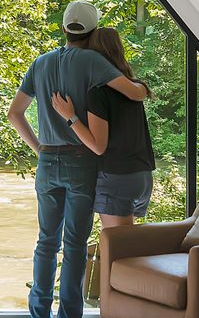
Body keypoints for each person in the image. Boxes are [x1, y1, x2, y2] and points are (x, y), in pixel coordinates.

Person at [7, 0, 150, 318]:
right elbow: (135, 93)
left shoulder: (40, 63)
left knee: (46, 242)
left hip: (47, 162)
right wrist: (142, 87)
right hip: (81, 160)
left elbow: (15, 113)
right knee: (74, 243)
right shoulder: (93, 61)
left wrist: (39, 147)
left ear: (64, 28)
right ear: (92, 30)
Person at [48, 26, 154, 231]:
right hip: (142, 175)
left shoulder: (98, 93)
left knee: (117, 248)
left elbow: (98, 146)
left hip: (117, 177)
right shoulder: (133, 89)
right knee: (130, 245)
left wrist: (70, 117)